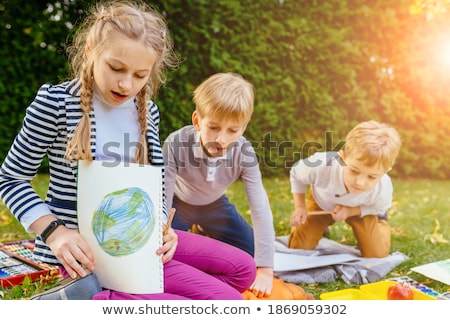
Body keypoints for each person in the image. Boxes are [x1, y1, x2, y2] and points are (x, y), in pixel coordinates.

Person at [0, 0, 256, 300]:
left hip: (140, 249)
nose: (126, 84)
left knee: (242, 271)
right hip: (80, 258)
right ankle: (91, 297)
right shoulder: (55, 104)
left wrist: (163, 228)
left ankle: (100, 298)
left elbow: (156, 186)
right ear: (90, 53)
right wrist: (55, 233)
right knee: (204, 305)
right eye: (116, 68)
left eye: (140, 75)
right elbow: (11, 180)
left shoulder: (147, 111)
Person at [163, 72, 275, 297]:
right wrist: (163, 230)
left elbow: (259, 206)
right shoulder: (175, 143)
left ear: (243, 128)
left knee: (252, 251)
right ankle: (196, 233)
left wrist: (265, 268)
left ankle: (204, 229)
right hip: (179, 204)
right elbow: (162, 196)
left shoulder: (244, 153)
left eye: (232, 130)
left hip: (216, 206)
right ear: (197, 121)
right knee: (165, 252)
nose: (221, 139)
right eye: (213, 127)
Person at [288, 120, 402, 258]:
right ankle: (321, 227)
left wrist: (351, 211)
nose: (360, 182)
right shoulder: (321, 165)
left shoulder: (383, 187)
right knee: (298, 248)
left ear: (385, 171)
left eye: (372, 177)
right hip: (322, 202)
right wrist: (300, 207)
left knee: (376, 254)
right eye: (354, 171)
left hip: (360, 209)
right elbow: (296, 173)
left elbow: (379, 208)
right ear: (342, 157)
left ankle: (380, 224)